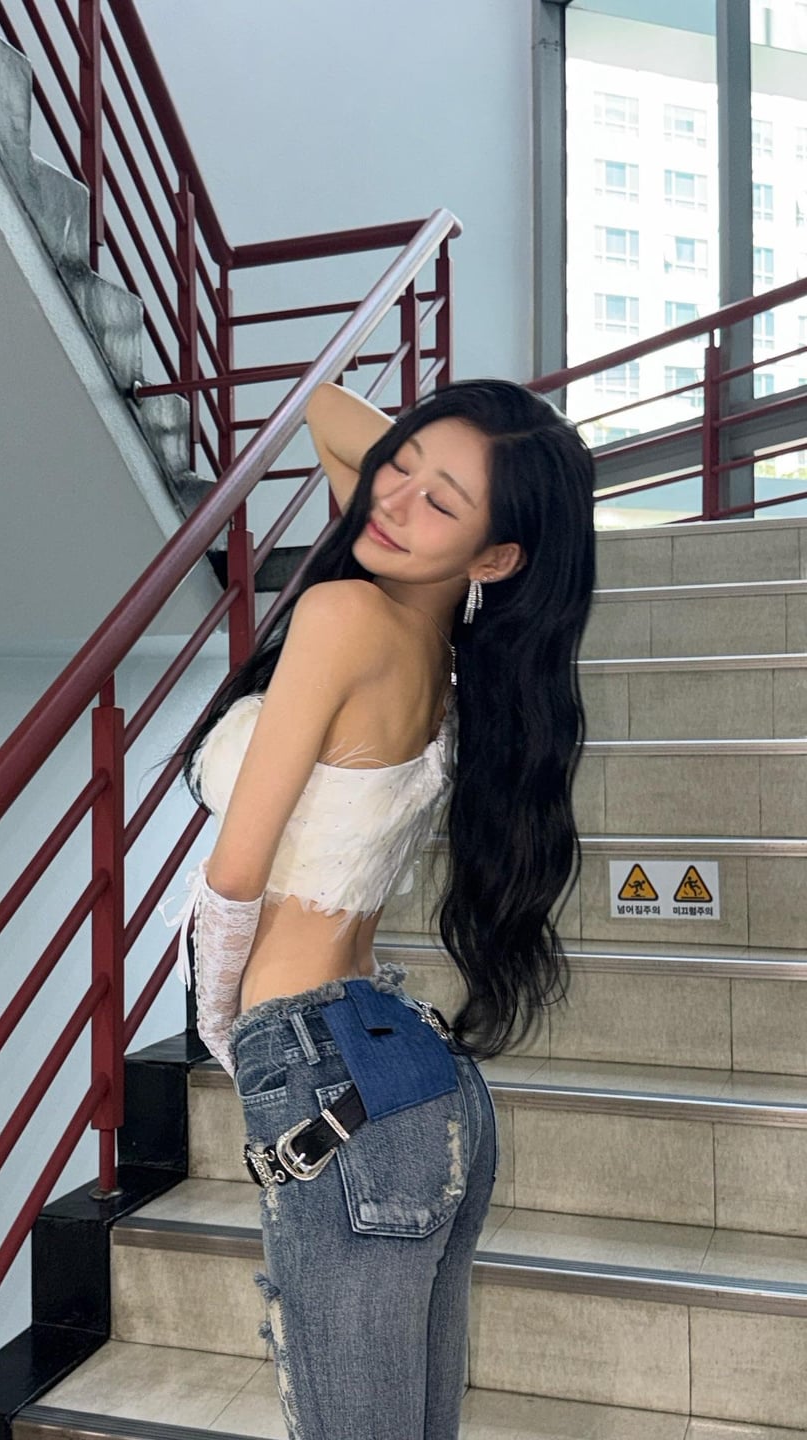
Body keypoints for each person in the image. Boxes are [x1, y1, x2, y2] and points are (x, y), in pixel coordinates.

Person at [169, 378, 597, 1439]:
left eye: (439, 502)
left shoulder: (342, 614)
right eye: (396, 468)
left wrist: (227, 1031)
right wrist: (461, 462)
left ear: (496, 558)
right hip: (412, 1078)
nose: (391, 501)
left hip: (325, 1072)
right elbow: (331, 408)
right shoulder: (443, 658)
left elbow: (235, 872)